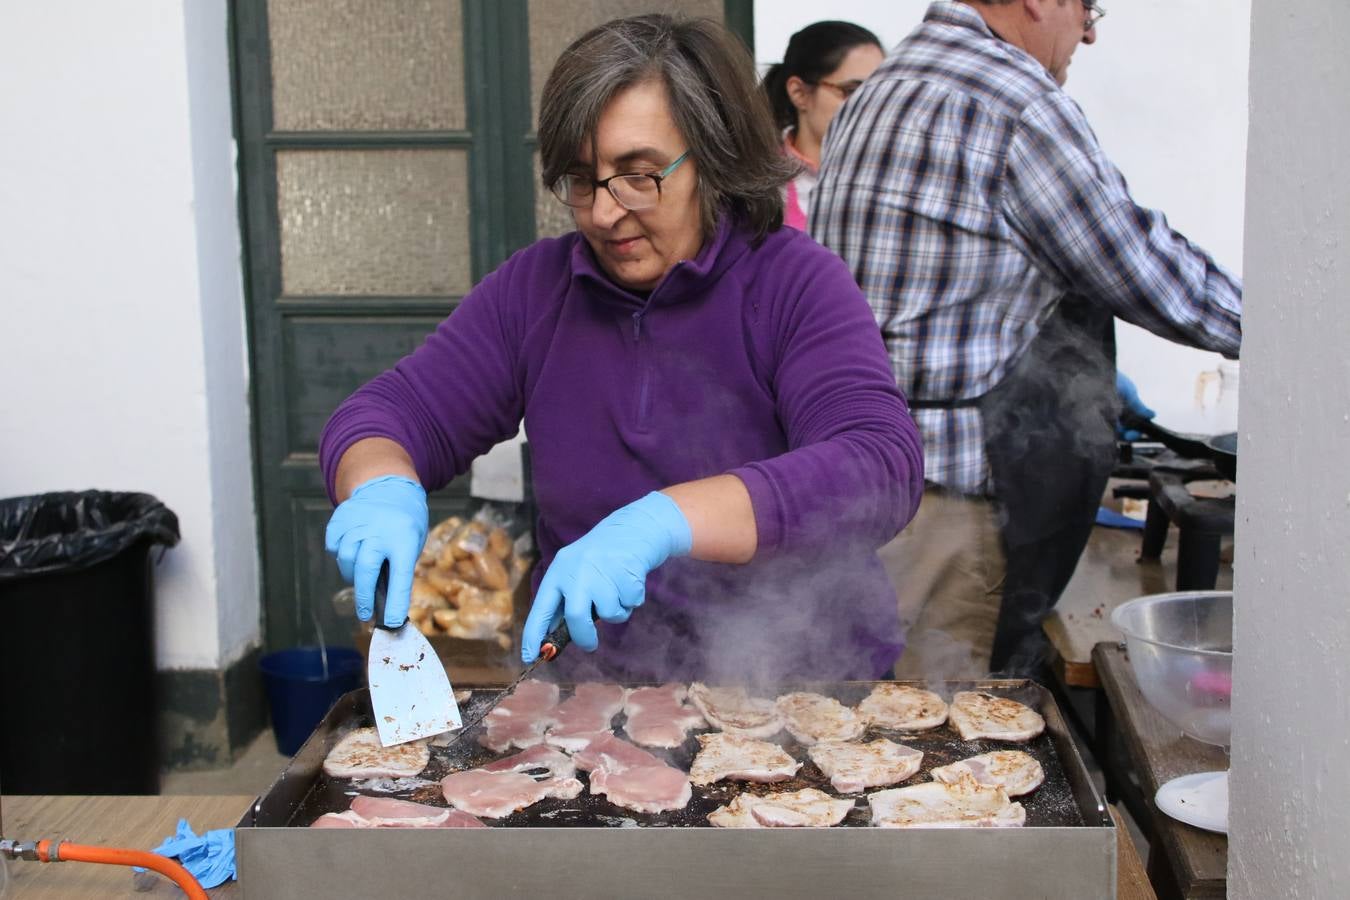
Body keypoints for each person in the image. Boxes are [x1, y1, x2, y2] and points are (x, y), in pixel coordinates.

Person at [320, 14, 924, 685]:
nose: (605, 213)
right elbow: (397, 412)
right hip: (598, 704)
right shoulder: (537, 290)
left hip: (803, 691)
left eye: (639, 175)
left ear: (713, 158)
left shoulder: (792, 282)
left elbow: (879, 465)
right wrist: (381, 486)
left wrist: (666, 520)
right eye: (583, 178)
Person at [810, 0, 1242, 676]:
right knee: (935, 736)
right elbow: (1138, 263)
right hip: (943, 502)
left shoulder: (885, 85)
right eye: (1088, 8)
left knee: (862, 714)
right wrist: (1294, 333)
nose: (1090, 32)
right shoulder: (1011, 98)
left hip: (855, 478)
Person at [760, 21, 884, 230]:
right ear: (799, 93)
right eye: (852, 91)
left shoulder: (890, 176)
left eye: (882, 93)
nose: (872, 106)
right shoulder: (760, 184)